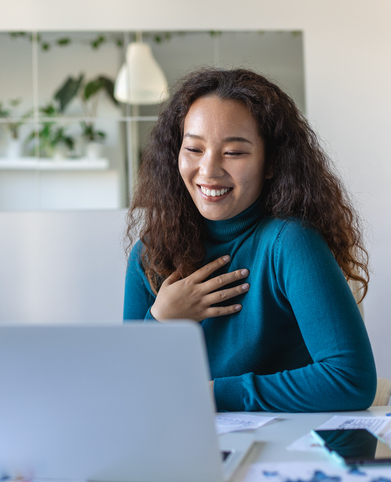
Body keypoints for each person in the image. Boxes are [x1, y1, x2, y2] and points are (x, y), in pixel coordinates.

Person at [124, 68, 377, 412]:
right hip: (183, 443)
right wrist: (161, 320)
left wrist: (211, 393)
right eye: (194, 149)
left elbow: (350, 379)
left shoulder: (290, 243)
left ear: (270, 162)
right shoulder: (150, 254)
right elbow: (128, 385)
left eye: (234, 152)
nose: (209, 170)